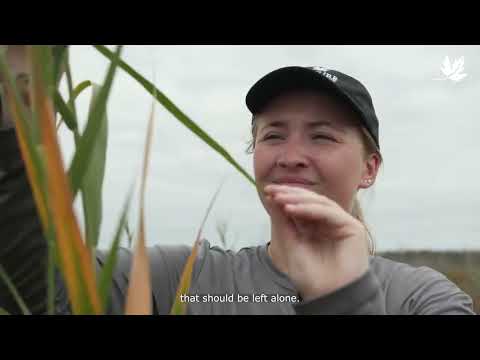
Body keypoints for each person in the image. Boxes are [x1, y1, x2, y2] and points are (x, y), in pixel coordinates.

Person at [0, 49, 474, 314]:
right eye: (272, 135)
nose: (291, 157)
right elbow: (40, 291)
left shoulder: (422, 298)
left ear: (369, 168)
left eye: (323, 136)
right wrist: (12, 105)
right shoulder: (183, 280)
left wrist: (345, 301)